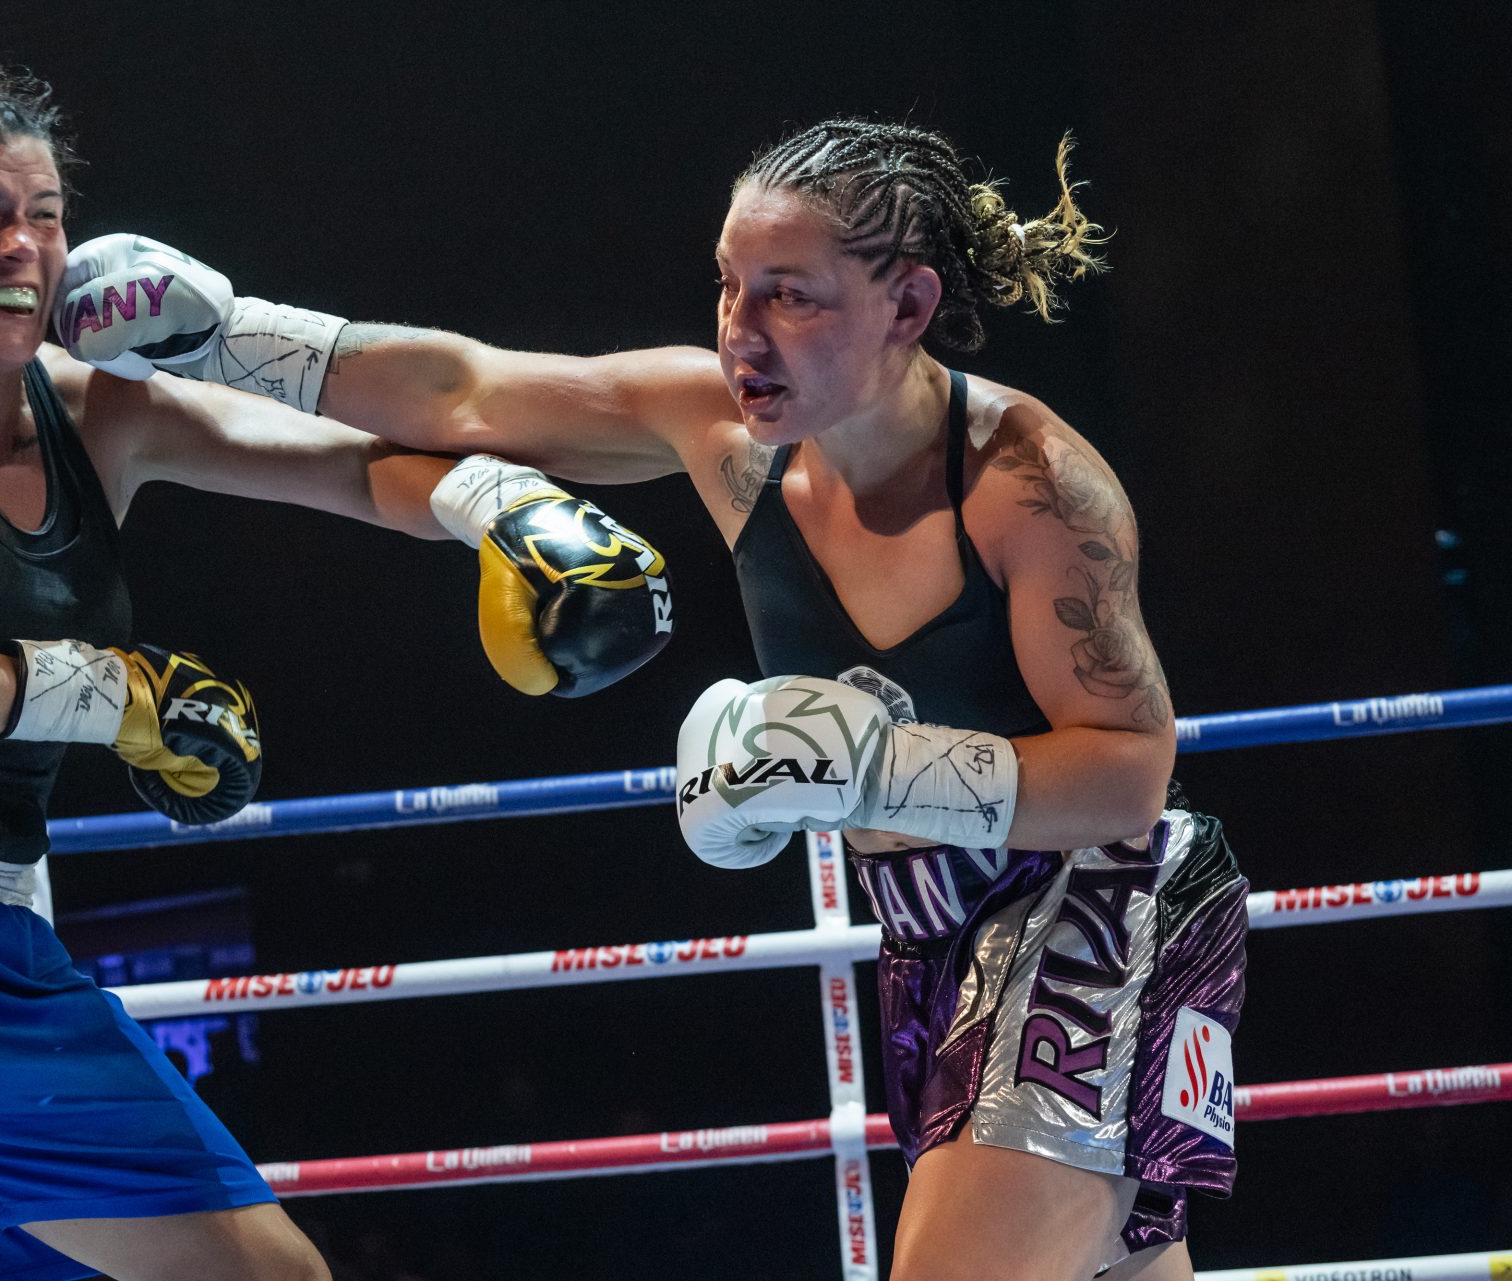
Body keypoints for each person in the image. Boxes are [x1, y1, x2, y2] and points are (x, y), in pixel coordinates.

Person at [82, 118, 1246, 1281]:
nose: (744, 332)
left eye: (791, 296)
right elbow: (465, 392)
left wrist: (881, 770)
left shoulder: (1028, 484)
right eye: (732, 287)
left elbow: (1130, 767)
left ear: (907, 306)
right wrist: (223, 334)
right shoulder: (724, 433)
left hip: (1097, 907)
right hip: (925, 930)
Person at [0, 61, 672, 1281]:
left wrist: (502, 501)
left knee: (277, 1275)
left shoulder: (94, 408)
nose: (24, 245)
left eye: (46, 213)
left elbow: (343, 465)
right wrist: (113, 697)